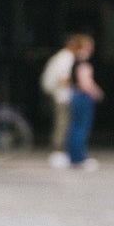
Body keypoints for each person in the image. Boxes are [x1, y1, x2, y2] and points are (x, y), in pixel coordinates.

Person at [66, 34, 103, 169]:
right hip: (82, 97)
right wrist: (96, 92)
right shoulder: (83, 62)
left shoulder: (75, 60)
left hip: (75, 95)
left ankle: (73, 156)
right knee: (81, 128)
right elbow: (85, 83)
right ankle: (78, 158)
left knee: (74, 126)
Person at [40, 34, 78, 167]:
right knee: (62, 123)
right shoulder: (66, 57)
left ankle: (58, 151)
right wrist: (76, 85)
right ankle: (57, 151)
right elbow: (63, 78)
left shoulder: (61, 56)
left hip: (59, 94)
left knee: (61, 123)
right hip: (62, 95)